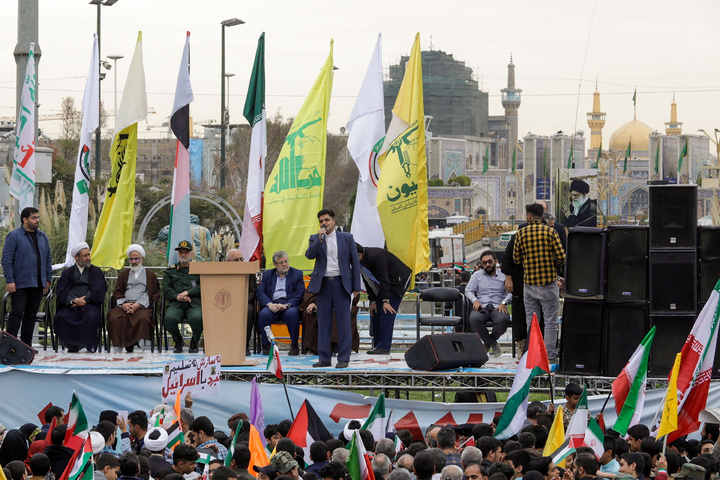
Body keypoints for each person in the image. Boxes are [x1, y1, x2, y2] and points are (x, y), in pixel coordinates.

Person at [305, 209, 361, 369]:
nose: (324, 223)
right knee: (324, 323)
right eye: (321, 221)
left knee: (343, 323)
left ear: (334, 221)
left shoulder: (347, 238)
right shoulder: (315, 238)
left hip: (341, 284)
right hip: (323, 285)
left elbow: (354, 264)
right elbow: (309, 255)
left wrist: (356, 286)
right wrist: (319, 240)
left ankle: (343, 358)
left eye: (327, 220)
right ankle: (324, 358)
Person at [513, 203, 565, 363]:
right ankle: (549, 356)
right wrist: (552, 266)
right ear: (542, 216)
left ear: (529, 216)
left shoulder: (521, 233)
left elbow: (516, 258)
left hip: (529, 284)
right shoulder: (550, 232)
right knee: (550, 321)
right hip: (548, 284)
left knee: (532, 321)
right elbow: (561, 256)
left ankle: (533, 355)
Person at [1, 207, 52, 346]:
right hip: (20, 283)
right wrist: (10, 280)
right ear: (25, 219)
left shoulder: (42, 237)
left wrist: (48, 280)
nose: (37, 220)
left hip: (38, 283)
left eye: (38, 218)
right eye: (34, 218)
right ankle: (8, 346)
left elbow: (48, 259)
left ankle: (26, 346)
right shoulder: (14, 236)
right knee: (17, 313)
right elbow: (6, 260)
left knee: (31, 315)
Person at [356, 243, 412, 355]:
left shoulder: (376, 256)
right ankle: (378, 345)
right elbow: (368, 282)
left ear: (359, 255)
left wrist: (386, 301)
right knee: (375, 311)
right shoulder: (360, 263)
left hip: (397, 280)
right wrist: (372, 301)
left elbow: (384, 278)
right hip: (384, 284)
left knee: (386, 312)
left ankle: (384, 347)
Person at [54, 242, 108, 353]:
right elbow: (62, 291)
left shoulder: (96, 271)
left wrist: (85, 300)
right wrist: (73, 301)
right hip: (71, 304)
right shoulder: (67, 273)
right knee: (62, 316)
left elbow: (99, 289)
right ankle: (72, 346)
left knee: (91, 316)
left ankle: (89, 344)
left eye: (88, 255)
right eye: (85, 256)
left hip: (90, 303)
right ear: (76, 257)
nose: (88, 258)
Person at [107, 245, 161, 353]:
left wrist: (138, 305)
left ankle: (140, 346)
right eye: (131, 259)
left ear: (142, 259)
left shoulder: (150, 275)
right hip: (124, 303)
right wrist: (123, 305)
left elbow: (153, 293)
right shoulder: (123, 274)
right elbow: (117, 291)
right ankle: (119, 347)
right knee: (114, 317)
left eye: (136, 258)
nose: (134, 261)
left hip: (142, 305)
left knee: (144, 318)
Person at [256, 251, 305, 356]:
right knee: (263, 315)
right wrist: (269, 304)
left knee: (291, 314)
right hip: (272, 304)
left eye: (286, 261)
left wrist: (287, 305)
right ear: (275, 265)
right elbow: (260, 292)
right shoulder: (268, 274)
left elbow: (300, 293)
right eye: (281, 262)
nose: (285, 264)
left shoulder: (297, 274)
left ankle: (294, 346)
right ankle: (267, 345)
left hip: (289, 304)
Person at [465, 250, 512, 358]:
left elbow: (511, 292)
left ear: (495, 261)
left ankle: (487, 343)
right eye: (484, 263)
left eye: (490, 262)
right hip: (482, 306)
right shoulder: (477, 275)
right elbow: (468, 290)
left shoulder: (505, 275)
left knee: (503, 320)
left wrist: (504, 303)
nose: (488, 265)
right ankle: (492, 343)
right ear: (481, 264)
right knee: (474, 319)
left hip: (498, 306)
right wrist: (475, 300)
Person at [163, 240, 202, 354]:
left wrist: (188, 292)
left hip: (194, 302)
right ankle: (178, 340)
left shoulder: (198, 269)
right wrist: (178, 296)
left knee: (198, 318)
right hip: (176, 302)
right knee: (169, 319)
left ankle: (194, 341)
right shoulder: (171, 271)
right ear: (178, 254)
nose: (183, 254)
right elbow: (166, 289)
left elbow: (203, 286)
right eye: (181, 252)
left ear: (191, 254)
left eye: (186, 252)